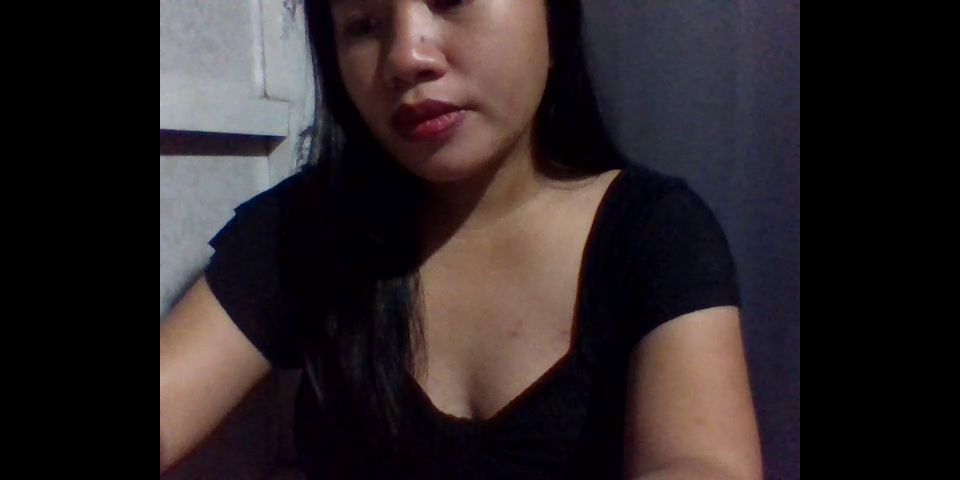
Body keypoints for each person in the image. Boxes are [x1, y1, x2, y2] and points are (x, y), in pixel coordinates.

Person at [160, 1, 763, 478]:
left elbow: (701, 463)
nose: (406, 57)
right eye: (363, 25)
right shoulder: (305, 226)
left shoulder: (655, 232)